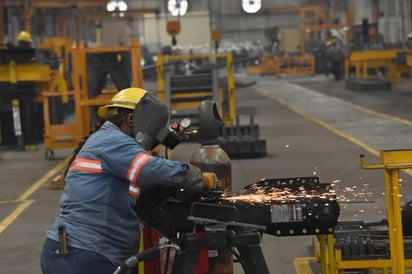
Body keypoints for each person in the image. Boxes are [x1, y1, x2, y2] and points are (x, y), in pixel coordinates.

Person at [40, 87, 213, 274]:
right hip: (83, 255)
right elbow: (149, 169)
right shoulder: (112, 141)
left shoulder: (111, 146)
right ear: (131, 119)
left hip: (81, 253)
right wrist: (193, 176)